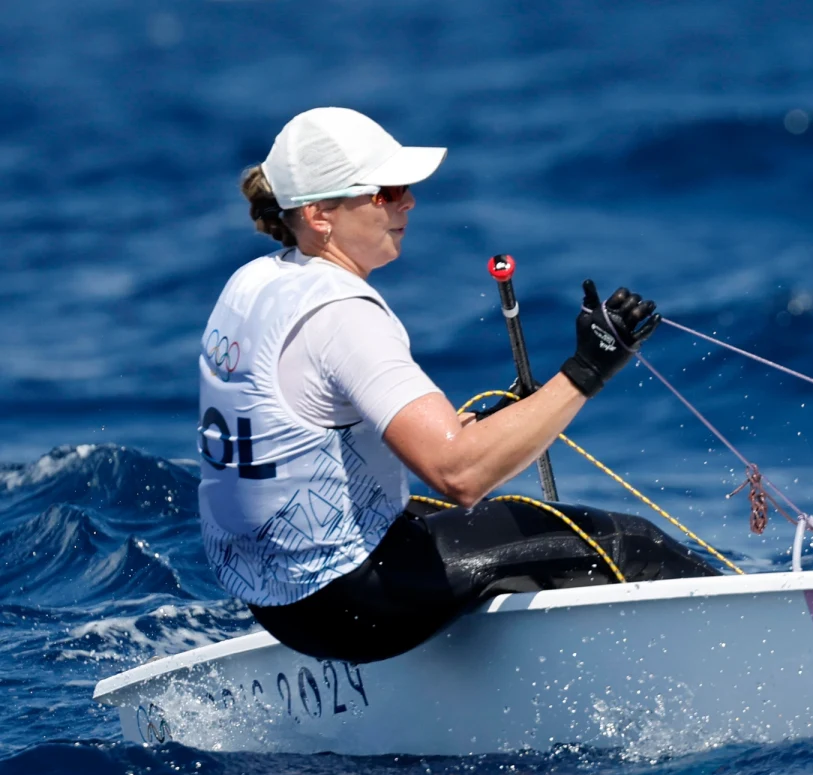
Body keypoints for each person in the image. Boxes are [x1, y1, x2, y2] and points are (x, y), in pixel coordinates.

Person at [198, 107, 718, 664]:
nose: (408, 203)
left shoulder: (256, 283)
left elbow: (309, 434)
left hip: (272, 597)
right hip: (349, 605)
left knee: (487, 520)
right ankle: (746, 654)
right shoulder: (342, 315)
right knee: (627, 543)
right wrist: (588, 369)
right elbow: (460, 475)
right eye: (387, 191)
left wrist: (510, 420)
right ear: (321, 212)